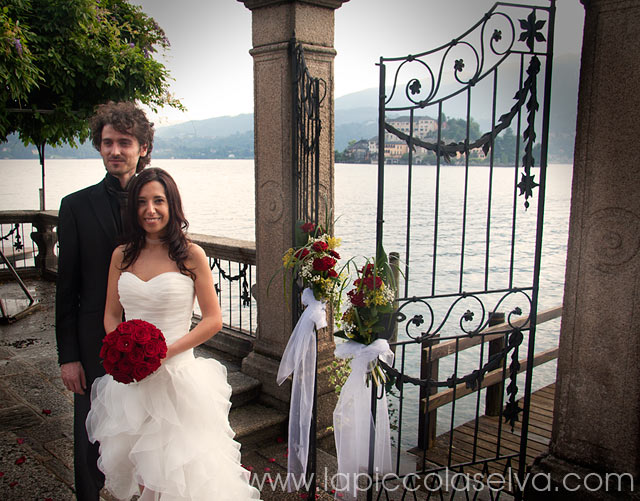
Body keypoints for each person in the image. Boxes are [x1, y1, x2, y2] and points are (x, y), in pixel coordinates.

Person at [86, 168, 261, 500]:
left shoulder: (191, 255)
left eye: (158, 201)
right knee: (140, 470)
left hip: (178, 377)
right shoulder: (121, 255)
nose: (150, 210)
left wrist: (162, 352)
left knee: (180, 472)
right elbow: (111, 314)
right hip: (133, 384)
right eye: (141, 202)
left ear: (172, 205)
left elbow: (213, 320)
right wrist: (122, 348)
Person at [55, 101, 154, 500]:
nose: (115, 150)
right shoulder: (75, 206)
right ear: (99, 147)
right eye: (107, 142)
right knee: (89, 439)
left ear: (142, 147)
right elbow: (67, 288)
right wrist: (68, 357)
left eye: (124, 142)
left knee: (148, 435)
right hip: (92, 343)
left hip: (149, 340)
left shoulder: (157, 204)